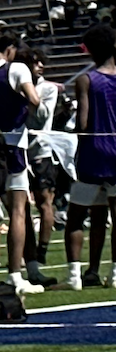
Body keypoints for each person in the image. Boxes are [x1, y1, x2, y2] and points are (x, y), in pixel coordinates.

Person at [0, 30, 45, 294]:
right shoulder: (16, 68)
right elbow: (34, 100)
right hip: (13, 146)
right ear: (10, 49)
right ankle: (16, 274)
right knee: (18, 211)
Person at [67, 23, 116, 289]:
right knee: (110, 215)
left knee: (77, 216)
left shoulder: (86, 80)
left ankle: (75, 275)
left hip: (93, 154)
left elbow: (83, 124)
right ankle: (112, 273)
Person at [22, 47, 68, 288]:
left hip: (41, 151)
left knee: (44, 202)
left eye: (41, 62)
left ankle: (42, 249)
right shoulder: (16, 85)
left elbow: (41, 116)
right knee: (21, 206)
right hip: (20, 151)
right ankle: (27, 254)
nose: (39, 66)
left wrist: (28, 96)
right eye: (35, 62)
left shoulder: (47, 88)